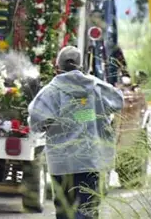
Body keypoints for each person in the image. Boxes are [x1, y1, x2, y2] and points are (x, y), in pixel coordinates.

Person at [28, 46, 124, 219]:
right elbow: (118, 101)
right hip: (90, 160)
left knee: (64, 210)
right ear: (81, 66)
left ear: (58, 66)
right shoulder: (95, 87)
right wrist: (92, 112)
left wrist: (51, 123)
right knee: (87, 209)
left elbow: (35, 119)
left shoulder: (51, 91)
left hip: (61, 162)